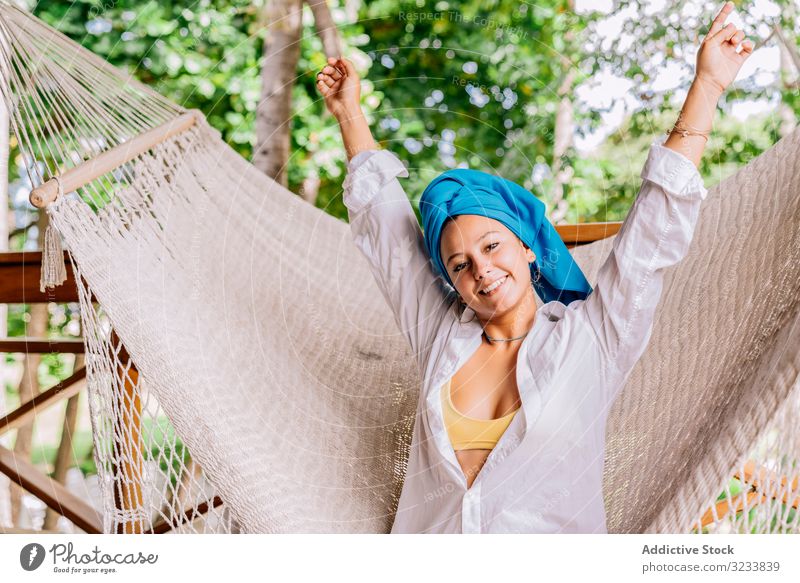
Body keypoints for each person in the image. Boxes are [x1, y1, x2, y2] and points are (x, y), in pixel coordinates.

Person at [315, 1, 752, 533]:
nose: (481, 269)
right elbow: (388, 233)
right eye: (460, 263)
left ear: (527, 248)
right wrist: (349, 114)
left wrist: (706, 86)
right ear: (450, 280)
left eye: (493, 246)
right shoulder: (440, 340)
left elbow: (650, 238)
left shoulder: (594, 337)